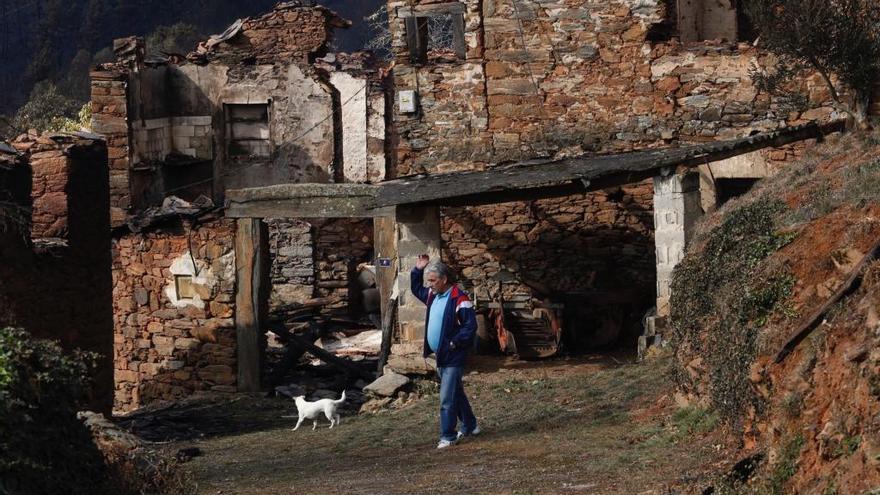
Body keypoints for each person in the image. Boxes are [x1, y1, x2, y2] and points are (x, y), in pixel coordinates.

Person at [411, 254, 480, 449]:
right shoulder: (433, 295)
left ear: (444, 280)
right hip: (440, 355)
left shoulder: (460, 298)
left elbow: (470, 326)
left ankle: (448, 436)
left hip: (453, 355)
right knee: (456, 393)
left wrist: (454, 343)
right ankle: (470, 425)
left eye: (432, 281)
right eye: (428, 281)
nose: (429, 285)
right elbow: (416, 289)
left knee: (446, 398)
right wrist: (418, 269)